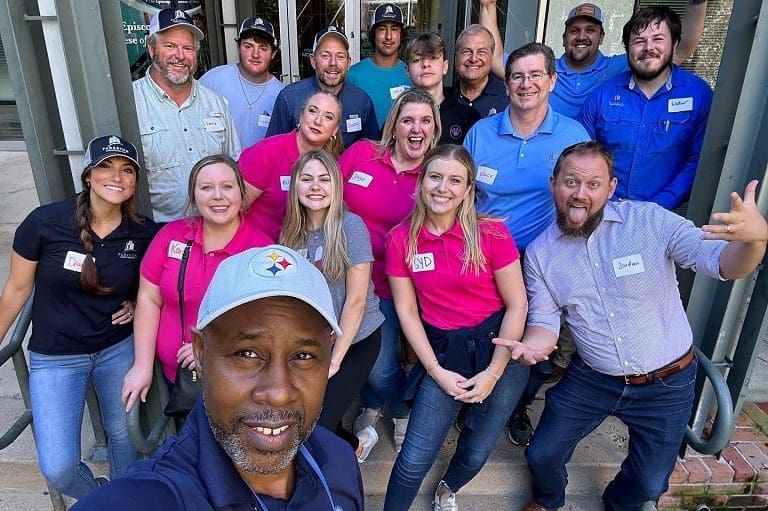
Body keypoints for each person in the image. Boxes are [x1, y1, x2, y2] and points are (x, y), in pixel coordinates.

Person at [493, 141, 768, 511]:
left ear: (611, 188)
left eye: (593, 184)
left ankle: (618, 504)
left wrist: (755, 242)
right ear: (553, 183)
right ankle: (547, 499)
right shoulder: (542, 253)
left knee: (649, 482)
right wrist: (534, 345)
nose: (580, 194)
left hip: (667, 382)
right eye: (570, 182)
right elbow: (544, 322)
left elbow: (722, 263)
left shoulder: (651, 221)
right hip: (593, 377)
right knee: (542, 453)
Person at [72, 245, 365, 510]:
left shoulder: (339, 460)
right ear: (200, 351)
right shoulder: (160, 494)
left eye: (303, 356)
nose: (278, 392)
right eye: (247, 353)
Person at [0, 135, 156, 498]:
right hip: (55, 357)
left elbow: (155, 284)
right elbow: (15, 292)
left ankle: (122, 502)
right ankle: (99, 497)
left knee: (123, 435)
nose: (116, 176)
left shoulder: (144, 233)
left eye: (126, 169)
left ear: (134, 181)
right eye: (106, 166)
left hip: (117, 349)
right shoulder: (44, 223)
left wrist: (135, 302)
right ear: (88, 175)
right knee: (58, 466)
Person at [383, 144, 529, 510]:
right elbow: (407, 311)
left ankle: (448, 487)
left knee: (478, 449)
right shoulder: (401, 239)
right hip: (444, 352)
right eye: (435, 177)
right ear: (421, 181)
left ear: (467, 189)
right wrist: (435, 370)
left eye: (454, 180)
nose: (442, 187)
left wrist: (494, 373)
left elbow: (517, 304)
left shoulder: (492, 233)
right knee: (413, 458)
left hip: (499, 344)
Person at [122, 155, 271, 411]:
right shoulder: (171, 236)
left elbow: (269, 321)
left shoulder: (262, 251)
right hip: (177, 379)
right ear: (194, 196)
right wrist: (142, 365)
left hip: (238, 382)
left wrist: (213, 346)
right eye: (206, 187)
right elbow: (149, 299)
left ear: (241, 193)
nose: (217, 195)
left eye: (227, 186)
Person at [339, 88, 440, 455]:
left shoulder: (434, 175)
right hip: (341, 277)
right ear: (393, 125)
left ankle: (398, 409)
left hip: (390, 285)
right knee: (352, 355)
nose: (417, 128)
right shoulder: (362, 154)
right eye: (408, 119)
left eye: (425, 121)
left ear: (434, 129)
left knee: (380, 367)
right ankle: (373, 403)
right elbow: (328, 196)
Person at [280, 150, 385, 459]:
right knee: (314, 414)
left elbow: (356, 301)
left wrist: (336, 359)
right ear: (295, 185)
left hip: (356, 339)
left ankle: (344, 471)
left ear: (336, 186)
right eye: (307, 179)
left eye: (324, 179)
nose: (315, 186)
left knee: (318, 424)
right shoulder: (290, 234)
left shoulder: (350, 227)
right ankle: (356, 444)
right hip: (315, 341)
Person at [578, 6, 713, 210]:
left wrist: (659, 205)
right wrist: (603, 201)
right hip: (605, 211)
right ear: (628, 49)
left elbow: (700, 159)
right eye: (639, 41)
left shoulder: (698, 95)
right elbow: (580, 154)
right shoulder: (602, 95)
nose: (648, 47)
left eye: (658, 39)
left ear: (674, 44)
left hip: (667, 215)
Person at [482, 0, 708, 119]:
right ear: (564, 38)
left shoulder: (619, 68)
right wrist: (488, 6)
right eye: (574, 30)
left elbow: (680, 50)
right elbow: (495, 59)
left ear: (601, 37)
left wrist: (698, 2)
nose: (581, 36)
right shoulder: (544, 69)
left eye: (590, 30)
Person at [464, 42, 590, 253]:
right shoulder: (480, 133)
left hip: (546, 258)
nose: (526, 84)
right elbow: (460, 193)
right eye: (517, 76)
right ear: (506, 86)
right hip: (484, 254)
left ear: (552, 81)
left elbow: (588, 200)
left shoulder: (574, 137)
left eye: (535, 75)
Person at [133, 8, 241, 223]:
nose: (180, 56)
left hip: (213, 225)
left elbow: (234, 163)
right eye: (170, 46)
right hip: (156, 230)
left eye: (188, 48)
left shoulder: (215, 102)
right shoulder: (132, 103)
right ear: (152, 48)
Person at [239, 90, 343, 242]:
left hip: (302, 253)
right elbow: (234, 209)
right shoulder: (264, 153)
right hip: (256, 250)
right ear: (301, 115)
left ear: (335, 129)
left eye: (328, 117)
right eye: (313, 111)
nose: (318, 121)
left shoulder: (332, 164)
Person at [266, 26, 379, 148]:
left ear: (348, 62)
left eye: (340, 56)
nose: (333, 63)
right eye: (325, 55)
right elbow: (271, 150)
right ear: (313, 61)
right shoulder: (289, 98)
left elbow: (372, 152)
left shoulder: (362, 101)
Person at [199, 17, 284, 148]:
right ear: (238, 48)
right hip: (218, 166)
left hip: (260, 167)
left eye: (263, 48)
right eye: (248, 46)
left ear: (273, 53)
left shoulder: (281, 95)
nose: (255, 54)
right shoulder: (213, 80)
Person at [404, 33, 481, 145]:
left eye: (433, 58)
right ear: (407, 71)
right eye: (417, 59)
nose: (425, 64)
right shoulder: (399, 116)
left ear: (445, 67)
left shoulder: (468, 117)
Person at [347, 3, 412, 128]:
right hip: (362, 146)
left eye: (394, 29)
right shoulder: (353, 75)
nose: (388, 36)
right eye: (382, 29)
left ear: (401, 35)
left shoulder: (411, 75)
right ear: (373, 34)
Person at [452, 21, 508, 118]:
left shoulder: (509, 99)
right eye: (466, 51)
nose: (474, 59)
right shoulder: (445, 99)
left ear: (492, 57)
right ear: (456, 57)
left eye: (481, 52)